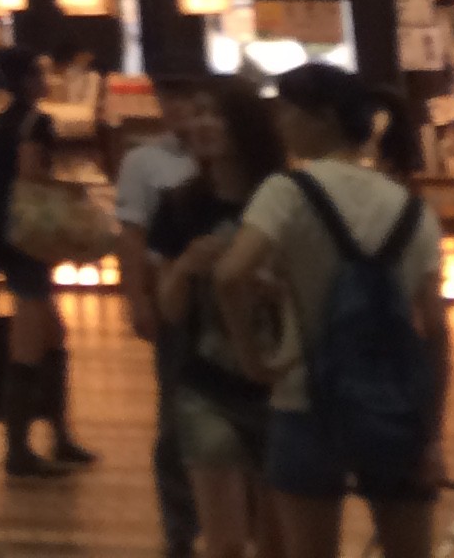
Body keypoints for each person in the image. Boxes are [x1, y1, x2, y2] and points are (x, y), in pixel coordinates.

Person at [215, 65, 450, 558]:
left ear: (322, 117)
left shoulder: (287, 190)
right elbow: (434, 327)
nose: (279, 123)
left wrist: (255, 360)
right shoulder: (411, 207)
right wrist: (430, 432)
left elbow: (230, 275)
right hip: (395, 406)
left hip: (307, 401)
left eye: (286, 111)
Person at [151, 80, 287, 558]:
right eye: (200, 113)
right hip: (205, 385)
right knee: (224, 541)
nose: (204, 125)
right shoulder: (180, 205)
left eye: (218, 115)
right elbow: (169, 310)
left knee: (277, 540)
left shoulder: (284, 200)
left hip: (280, 385)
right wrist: (185, 269)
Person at [0, 44, 97, 479]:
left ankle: (57, 436)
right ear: (28, 80)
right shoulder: (35, 122)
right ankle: (22, 449)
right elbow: (30, 174)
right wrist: (69, 190)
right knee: (33, 339)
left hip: (10, 237)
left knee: (51, 334)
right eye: (40, 74)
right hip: (30, 241)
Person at [116, 77, 210, 558]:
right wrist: (137, 299)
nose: (181, 110)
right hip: (174, 296)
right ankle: (181, 529)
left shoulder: (231, 158)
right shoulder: (144, 161)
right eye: (170, 100)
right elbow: (132, 236)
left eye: (189, 100)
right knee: (176, 412)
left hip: (229, 301)